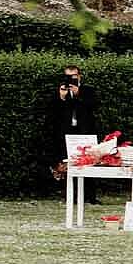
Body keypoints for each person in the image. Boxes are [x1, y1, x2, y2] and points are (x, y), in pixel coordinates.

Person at [52, 64, 100, 202]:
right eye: (67, 76)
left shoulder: (88, 90)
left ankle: (90, 196)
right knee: (68, 163)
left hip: (85, 131)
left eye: (73, 76)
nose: (70, 79)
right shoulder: (61, 91)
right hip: (67, 131)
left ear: (79, 76)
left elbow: (93, 106)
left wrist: (78, 94)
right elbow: (54, 112)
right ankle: (69, 195)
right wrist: (62, 98)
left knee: (89, 162)